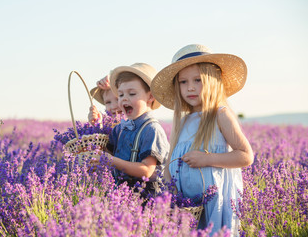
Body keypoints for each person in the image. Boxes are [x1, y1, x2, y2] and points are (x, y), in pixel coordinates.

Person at [151, 44, 254, 236]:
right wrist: (168, 197)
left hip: (215, 203)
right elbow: (169, 164)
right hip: (187, 206)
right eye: (183, 82)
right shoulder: (183, 121)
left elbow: (246, 156)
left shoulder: (220, 115)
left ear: (213, 80)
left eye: (197, 80)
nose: (190, 87)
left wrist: (207, 159)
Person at [98, 63, 169, 199]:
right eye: (120, 94)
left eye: (131, 93)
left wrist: (111, 160)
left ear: (150, 97)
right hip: (122, 196)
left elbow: (147, 170)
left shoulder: (151, 129)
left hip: (147, 199)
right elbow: (106, 151)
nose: (124, 98)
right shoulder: (120, 128)